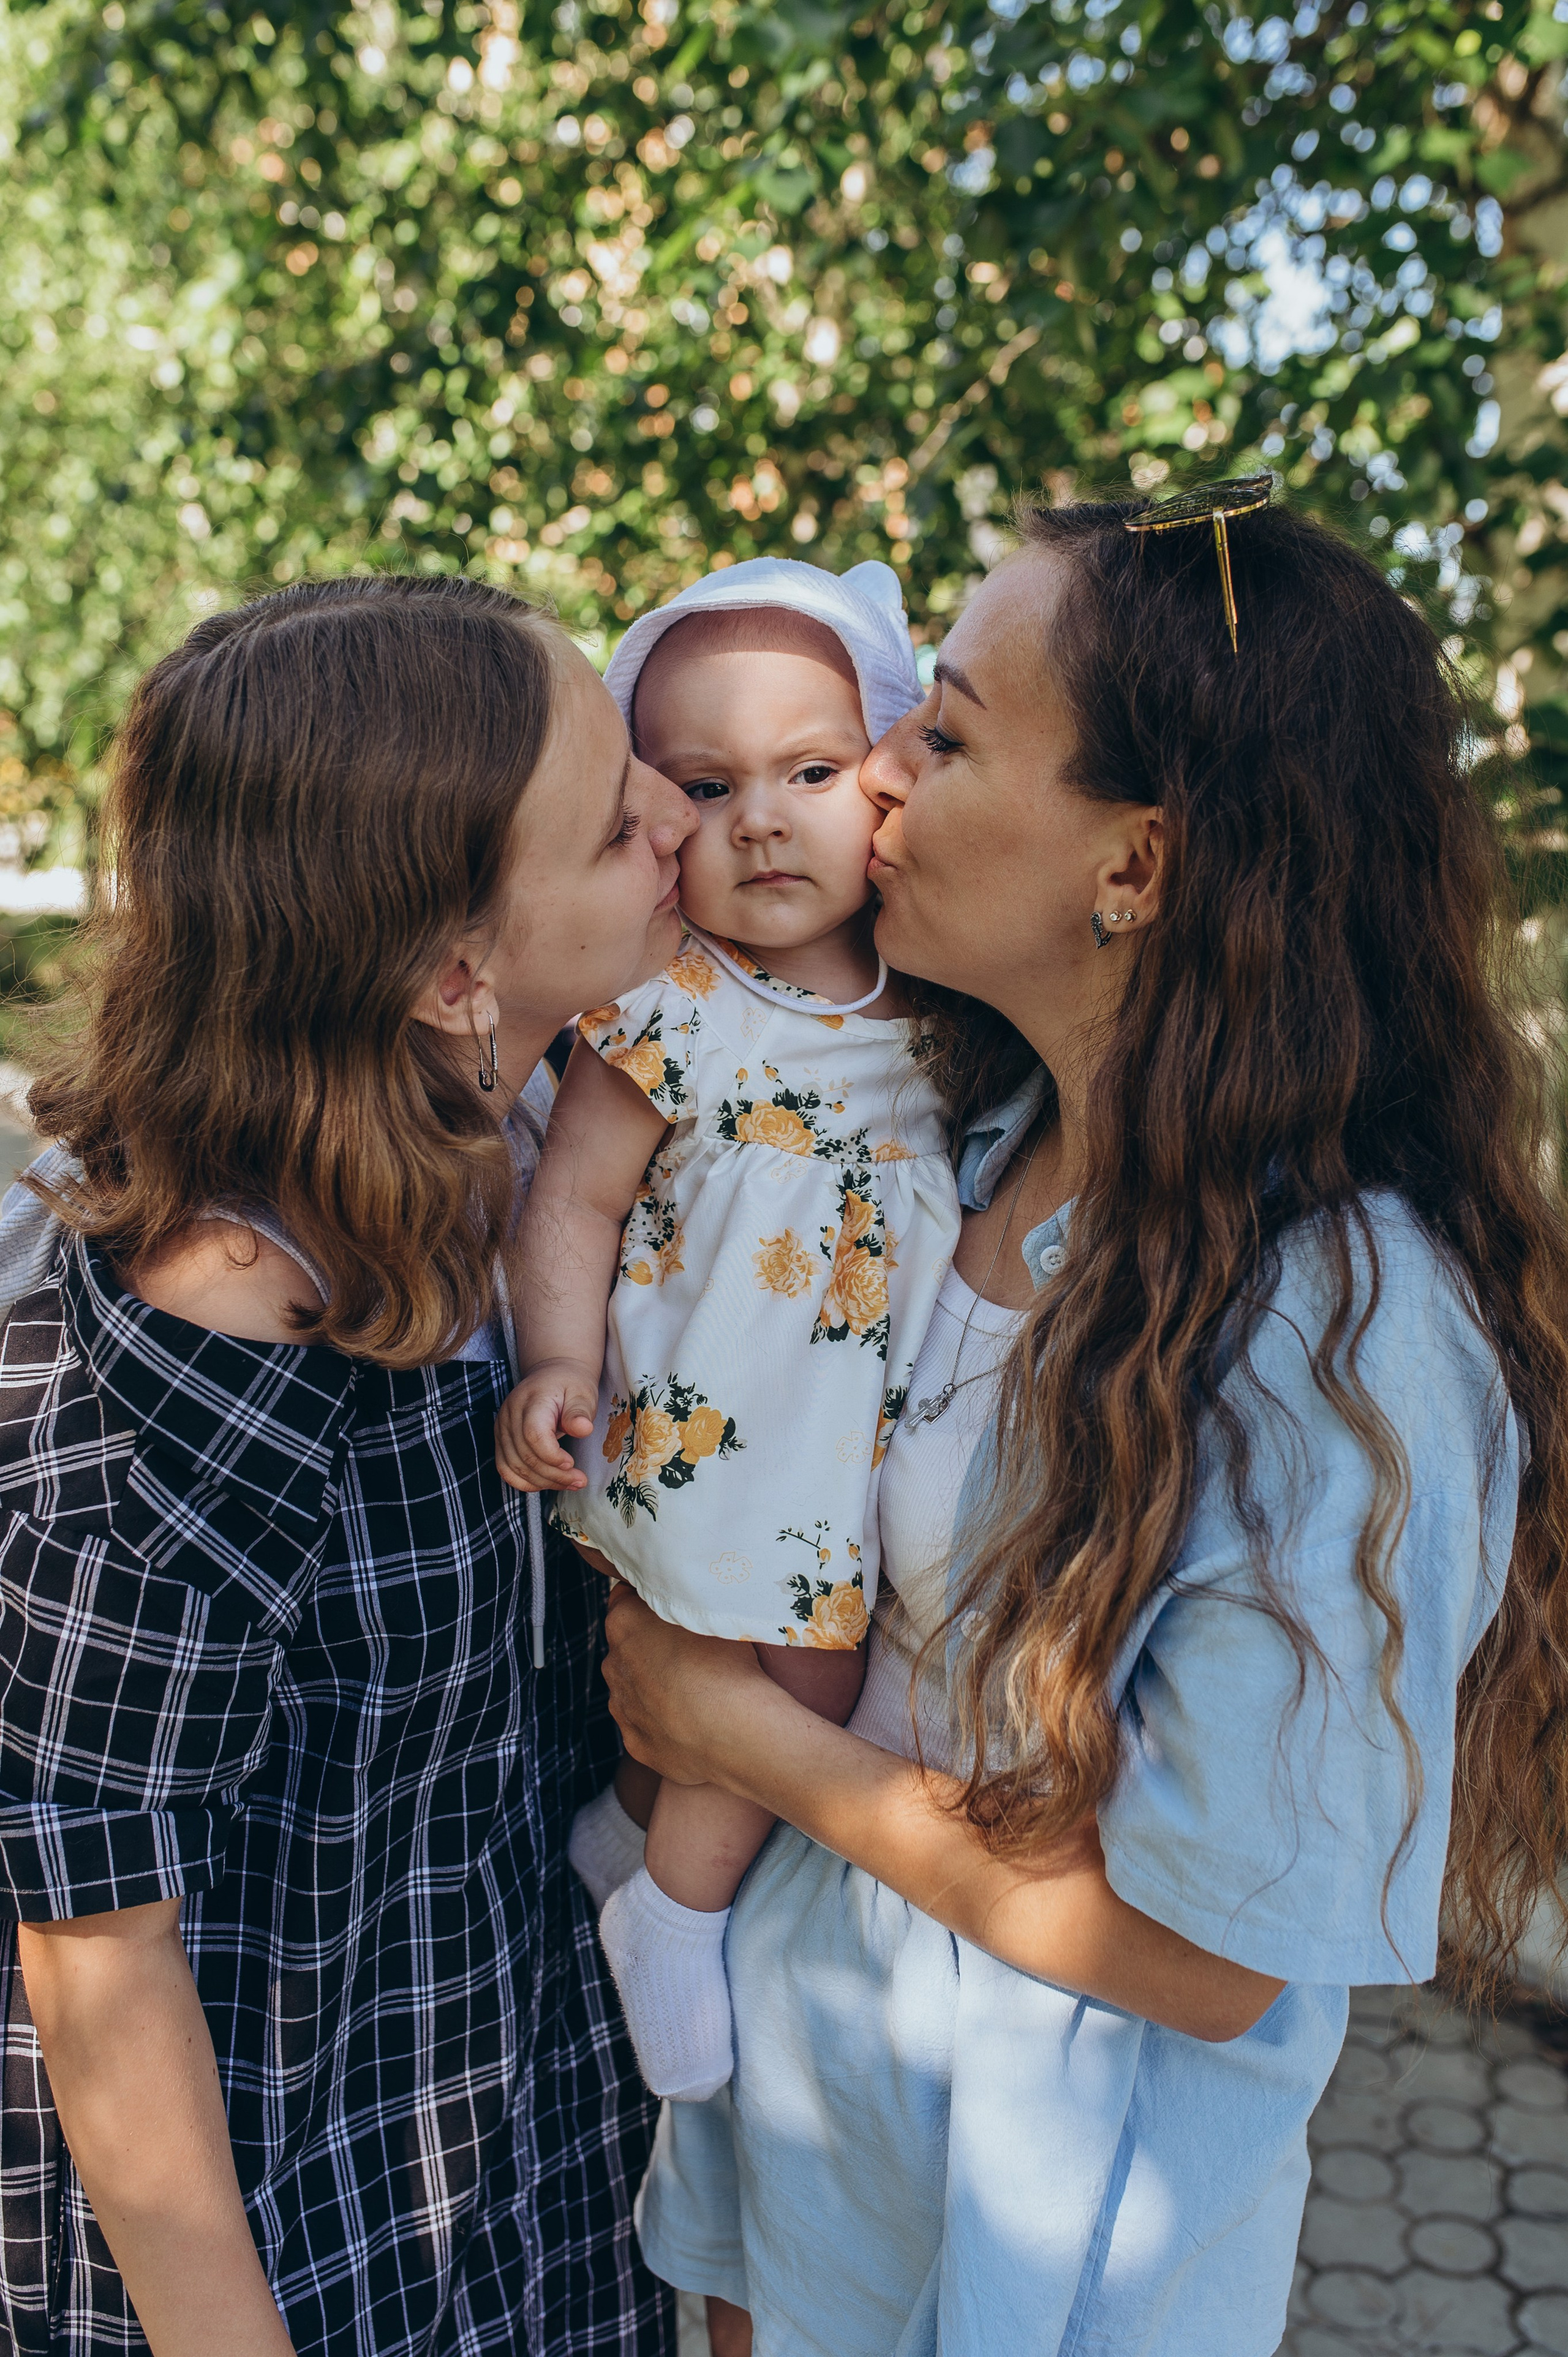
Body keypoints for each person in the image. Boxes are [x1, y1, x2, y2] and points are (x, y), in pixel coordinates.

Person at [596, 495, 1568, 2357]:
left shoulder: (1343, 1330)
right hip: (798, 2150)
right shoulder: (953, 1150)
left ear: (1138, 861)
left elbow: (1209, 1961)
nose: (874, 775)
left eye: (946, 734)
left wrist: (741, 1742)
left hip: (1047, 2251)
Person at [0, 574, 698, 2357]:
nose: (681, 825)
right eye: (622, 823)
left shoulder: (528, 1144)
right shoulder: (226, 1319)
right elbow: (96, 1925)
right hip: (283, 2199)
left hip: (488, 2117)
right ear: (456, 970)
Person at [495, 559, 957, 2109]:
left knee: (771, 1693)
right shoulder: (671, 1006)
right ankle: (674, 1916)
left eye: (811, 773)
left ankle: (635, 1852)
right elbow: (568, 1199)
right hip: (707, 1435)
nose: (761, 818)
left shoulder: (942, 1013)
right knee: (753, 1681)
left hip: (863, 1456)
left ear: (883, 775)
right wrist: (557, 1361)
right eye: (706, 783)